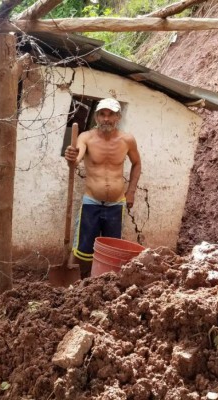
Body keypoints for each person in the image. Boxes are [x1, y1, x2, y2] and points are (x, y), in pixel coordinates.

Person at [64, 98, 141, 278]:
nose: (106, 119)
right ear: (97, 117)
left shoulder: (127, 140)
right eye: (102, 114)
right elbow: (75, 160)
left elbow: (137, 164)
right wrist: (71, 157)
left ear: (118, 117)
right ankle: (70, 282)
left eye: (111, 114)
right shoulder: (86, 137)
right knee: (81, 246)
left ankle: (106, 281)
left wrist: (131, 192)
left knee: (112, 247)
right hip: (91, 202)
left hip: (116, 204)